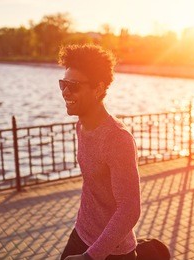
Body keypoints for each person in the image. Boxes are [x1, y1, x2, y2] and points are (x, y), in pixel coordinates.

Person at [58, 44, 141, 260]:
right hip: (81, 233)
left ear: (98, 88)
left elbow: (130, 209)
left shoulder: (117, 139)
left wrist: (90, 257)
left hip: (112, 251)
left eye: (74, 85)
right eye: (63, 84)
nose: (66, 91)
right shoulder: (81, 126)